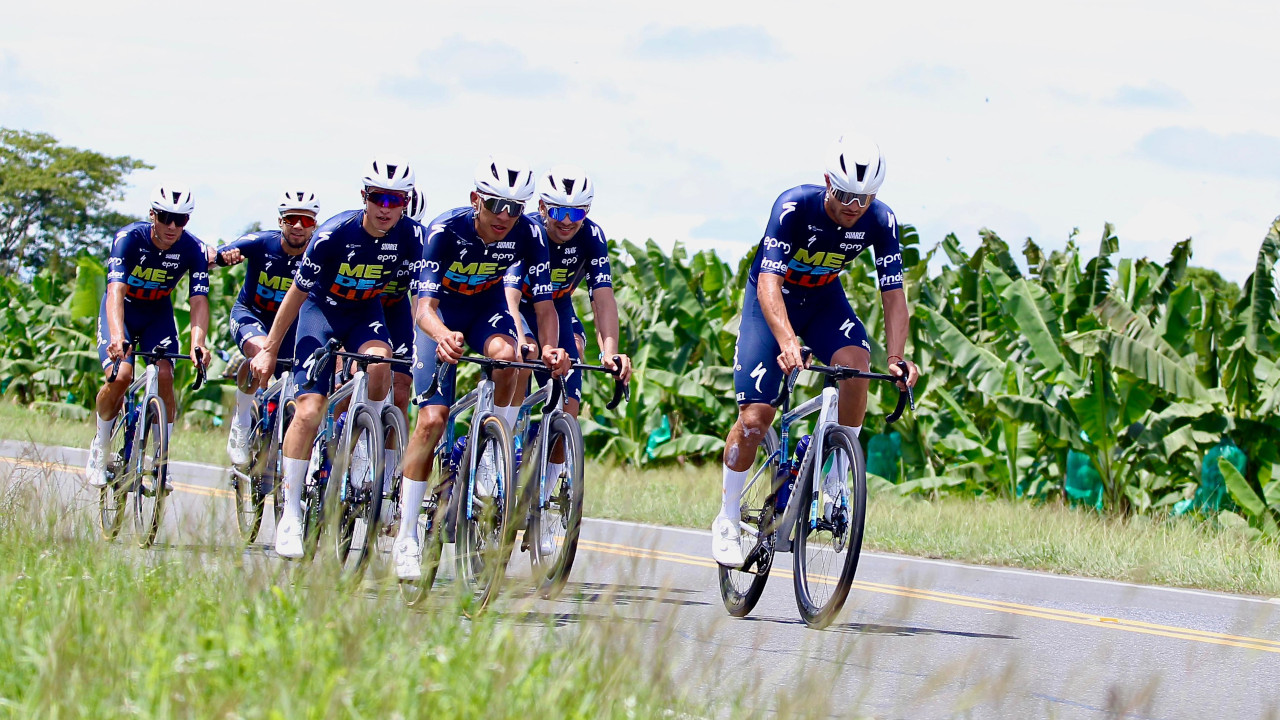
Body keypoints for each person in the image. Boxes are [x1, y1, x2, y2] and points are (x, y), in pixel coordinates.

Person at [711, 133, 920, 567]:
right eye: (844, 194)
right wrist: (787, 343)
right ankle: (728, 518)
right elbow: (768, 280)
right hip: (773, 300)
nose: (853, 206)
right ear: (827, 181)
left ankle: (838, 473)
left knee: (857, 366)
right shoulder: (794, 206)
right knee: (755, 419)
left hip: (824, 300)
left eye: (864, 198)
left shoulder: (881, 221)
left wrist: (898, 358)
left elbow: (894, 294)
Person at [392, 154, 570, 580]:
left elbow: (544, 306)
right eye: (496, 206)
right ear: (476, 200)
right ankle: (407, 536)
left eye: (515, 208)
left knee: (510, 358)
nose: (505, 217)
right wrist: (442, 336)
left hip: (485, 307)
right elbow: (423, 309)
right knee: (432, 421)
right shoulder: (444, 231)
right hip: (441, 314)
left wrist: (549, 349)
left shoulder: (528, 233)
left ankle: (495, 452)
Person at [250, 157, 423, 559]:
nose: (386, 207)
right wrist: (271, 348)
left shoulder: (413, 235)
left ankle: (368, 448)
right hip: (321, 313)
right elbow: (295, 295)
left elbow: (423, 295)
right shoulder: (331, 235)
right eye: (379, 197)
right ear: (364, 197)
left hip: (366, 313)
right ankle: (291, 515)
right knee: (309, 410)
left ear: (405, 202)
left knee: (382, 363)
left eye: (396, 199)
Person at [502, 166, 632, 492]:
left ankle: (541, 498)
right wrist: (520, 337)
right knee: (521, 361)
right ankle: (500, 447)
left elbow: (602, 299)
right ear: (543, 207)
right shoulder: (526, 230)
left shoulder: (592, 236)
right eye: (558, 210)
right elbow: (510, 296)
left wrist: (610, 353)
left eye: (577, 212)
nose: (567, 220)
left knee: (570, 397)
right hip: (518, 306)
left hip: (557, 307)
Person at [85, 183, 212, 486]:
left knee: (166, 374)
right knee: (122, 375)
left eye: (179, 220)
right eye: (166, 217)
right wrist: (117, 337)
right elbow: (115, 290)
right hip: (123, 311)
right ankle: (100, 448)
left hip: (157, 314)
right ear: (152, 214)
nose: (171, 226)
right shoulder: (129, 238)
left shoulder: (192, 248)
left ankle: (160, 462)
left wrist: (198, 344)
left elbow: (198, 300)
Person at [213, 190, 320, 465]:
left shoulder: (319, 253)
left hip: (291, 328)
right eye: (292, 219)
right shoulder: (262, 242)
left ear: (315, 226)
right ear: (280, 221)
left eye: (306, 221)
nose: (298, 226)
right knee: (260, 351)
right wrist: (226, 257)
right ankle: (242, 420)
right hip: (253, 316)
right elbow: (213, 256)